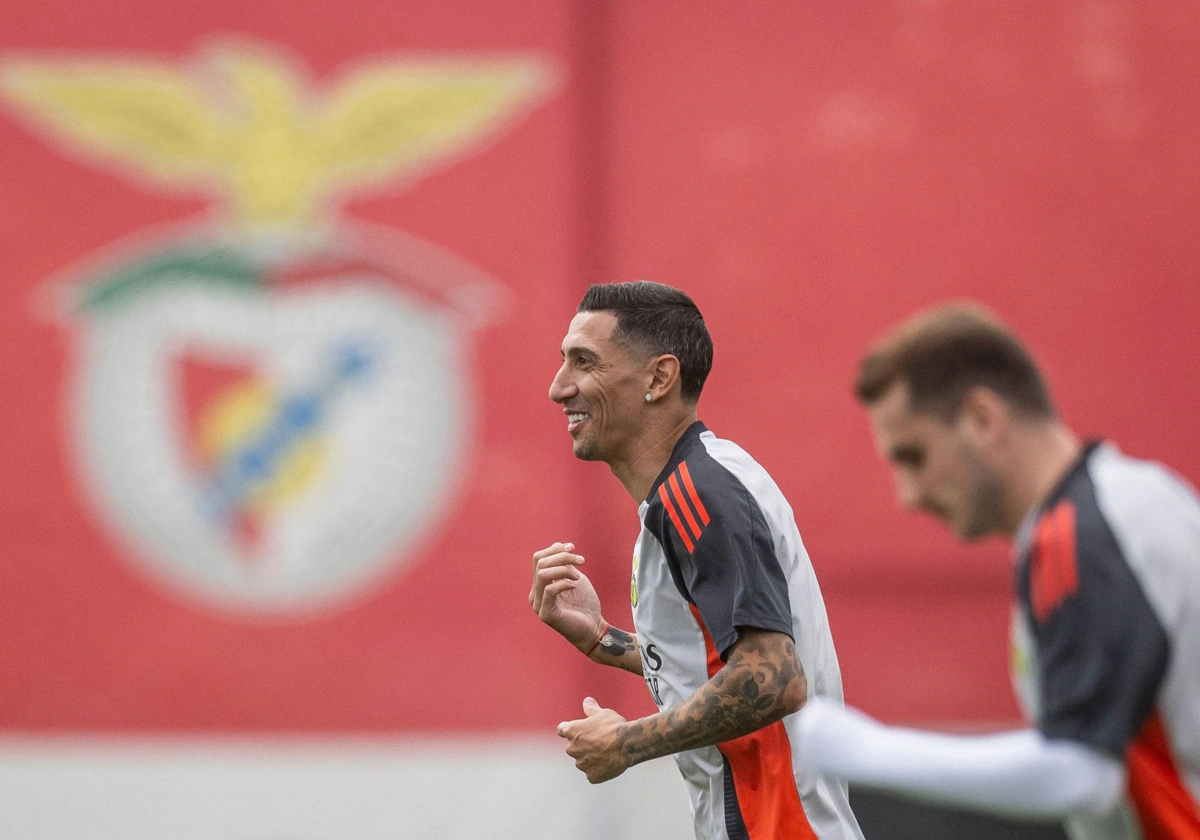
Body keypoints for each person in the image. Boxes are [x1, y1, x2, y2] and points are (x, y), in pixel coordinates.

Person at [793, 302, 1200, 838]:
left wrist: (859, 747)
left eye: (913, 456)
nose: (907, 497)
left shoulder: (1077, 533)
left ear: (984, 419)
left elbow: (1083, 773)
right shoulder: (1128, 502)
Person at [531, 281, 864, 840]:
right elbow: (723, 663)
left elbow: (774, 677)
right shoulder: (690, 488)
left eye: (583, 362)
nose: (558, 388)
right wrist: (603, 640)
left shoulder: (698, 493)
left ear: (659, 379)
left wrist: (626, 743)